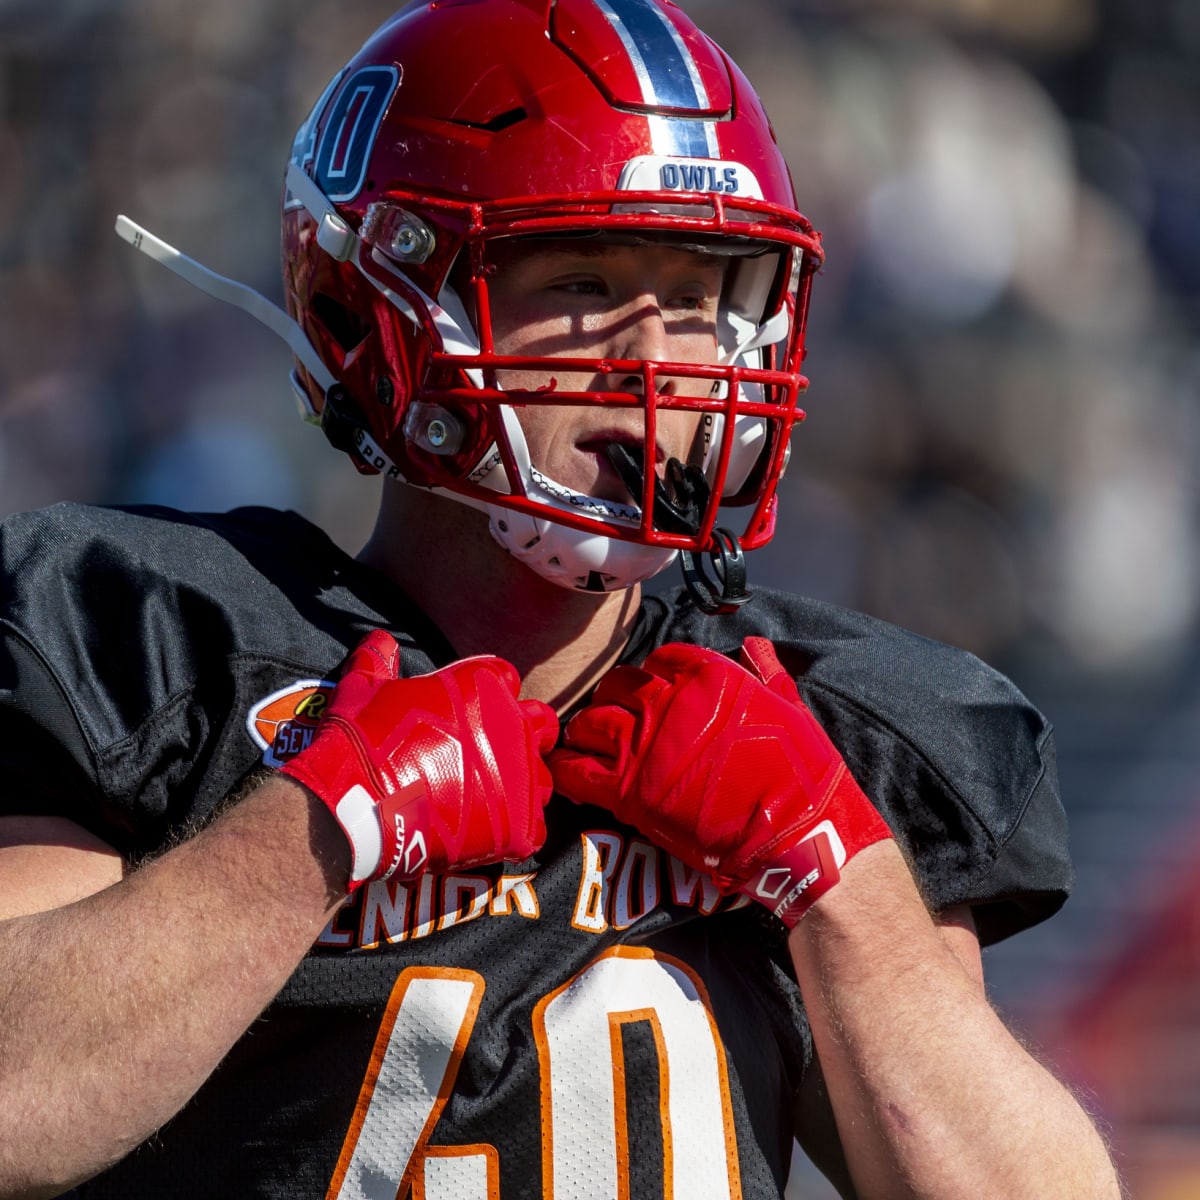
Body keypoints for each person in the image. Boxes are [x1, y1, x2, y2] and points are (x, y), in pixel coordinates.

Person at [0, 1, 1122, 1197]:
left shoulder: (832, 727)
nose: (655, 361)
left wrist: (839, 877)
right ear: (370, 307)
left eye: (699, 299)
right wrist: (311, 835)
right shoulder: (160, 646)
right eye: (584, 280)